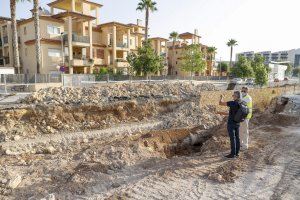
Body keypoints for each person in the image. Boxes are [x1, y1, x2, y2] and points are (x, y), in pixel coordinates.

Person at [219, 91, 242, 158]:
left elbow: (220, 103)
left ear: (236, 96)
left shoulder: (233, 102)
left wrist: (221, 97)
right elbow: (233, 113)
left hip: (231, 123)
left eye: (233, 95)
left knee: (232, 138)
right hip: (237, 122)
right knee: (237, 137)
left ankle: (232, 154)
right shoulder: (241, 102)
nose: (232, 96)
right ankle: (237, 153)